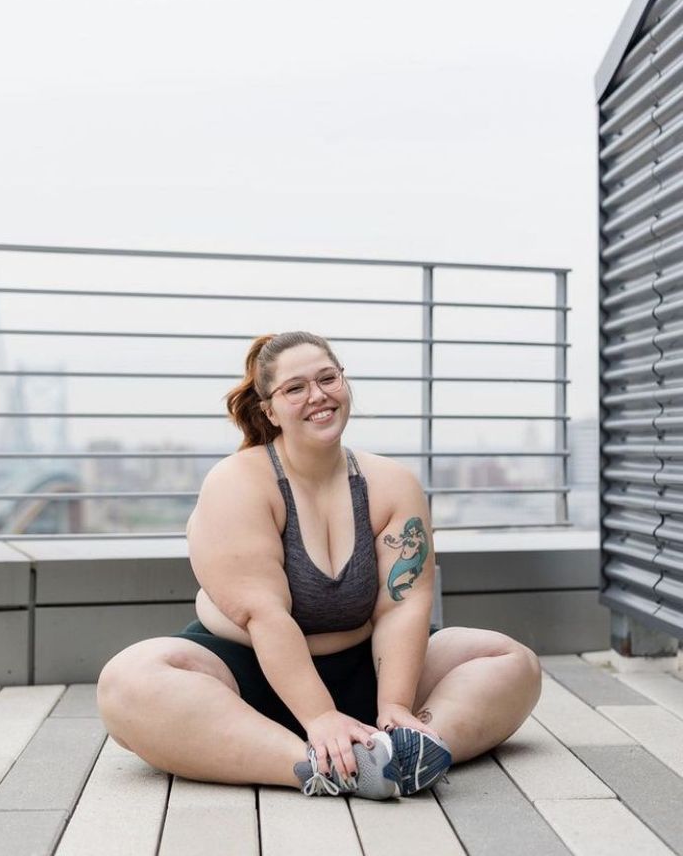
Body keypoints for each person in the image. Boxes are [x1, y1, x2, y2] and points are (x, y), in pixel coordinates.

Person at [97, 331, 542, 799]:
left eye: (328, 378)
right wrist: (319, 717)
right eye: (295, 388)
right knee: (128, 681)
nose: (318, 396)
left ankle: (404, 747)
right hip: (248, 680)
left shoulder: (391, 483)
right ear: (269, 409)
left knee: (511, 661)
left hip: (368, 667)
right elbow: (263, 614)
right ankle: (317, 764)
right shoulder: (238, 482)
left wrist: (394, 702)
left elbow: (403, 606)